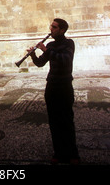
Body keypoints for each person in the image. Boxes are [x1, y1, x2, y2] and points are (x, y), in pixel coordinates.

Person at [28, 18, 80, 165]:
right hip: (52, 86)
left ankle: (72, 153)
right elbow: (40, 63)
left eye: (54, 27)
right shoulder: (50, 45)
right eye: (51, 26)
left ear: (62, 30)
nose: (51, 29)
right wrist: (32, 54)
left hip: (64, 86)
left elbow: (65, 60)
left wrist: (46, 50)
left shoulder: (68, 44)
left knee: (67, 121)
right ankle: (58, 152)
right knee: (54, 121)